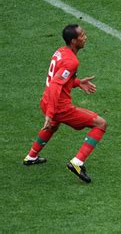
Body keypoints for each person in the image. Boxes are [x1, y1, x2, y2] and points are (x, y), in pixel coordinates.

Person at [23, 24, 107, 183]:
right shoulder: (72, 61)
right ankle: (77, 162)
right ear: (74, 41)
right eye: (82, 35)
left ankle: (31, 156)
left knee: (52, 126)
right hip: (59, 107)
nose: (85, 37)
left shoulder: (60, 52)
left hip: (46, 100)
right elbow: (56, 85)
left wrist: (77, 82)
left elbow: (59, 78)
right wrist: (50, 113)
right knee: (101, 124)